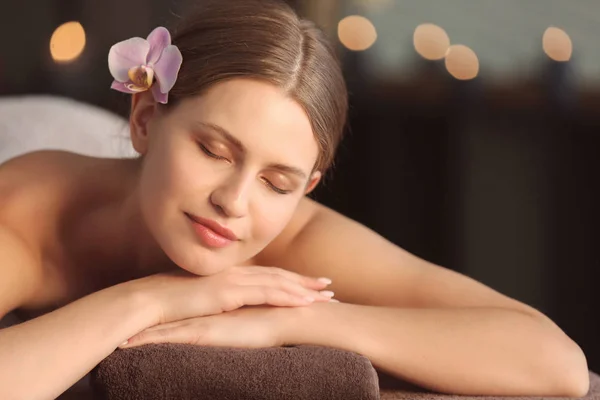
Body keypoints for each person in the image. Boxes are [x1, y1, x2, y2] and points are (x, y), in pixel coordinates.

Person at [0, 0, 589, 398]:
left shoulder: (297, 237)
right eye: (214, 150)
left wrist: (302, 320)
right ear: (147, 117)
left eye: (277, 183)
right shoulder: (32, 211)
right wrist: (150, 301)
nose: (234, 202)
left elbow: (556, 365)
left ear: (306, 188)